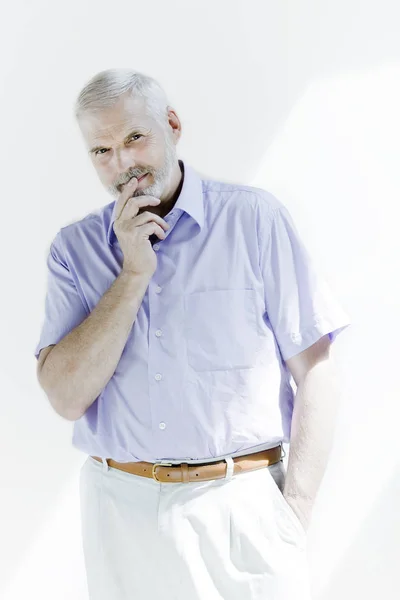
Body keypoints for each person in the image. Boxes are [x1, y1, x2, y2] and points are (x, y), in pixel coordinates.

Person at [34, 68, 351, 600]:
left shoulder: (253, 220)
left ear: (173, 125)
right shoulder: (74, 251)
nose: (123, 164)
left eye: (135, 137)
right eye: (102, 151)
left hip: (242, 507)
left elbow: (318, 372)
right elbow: (65, 397)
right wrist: (133, 274)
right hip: (121, 512)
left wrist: (293, 513)